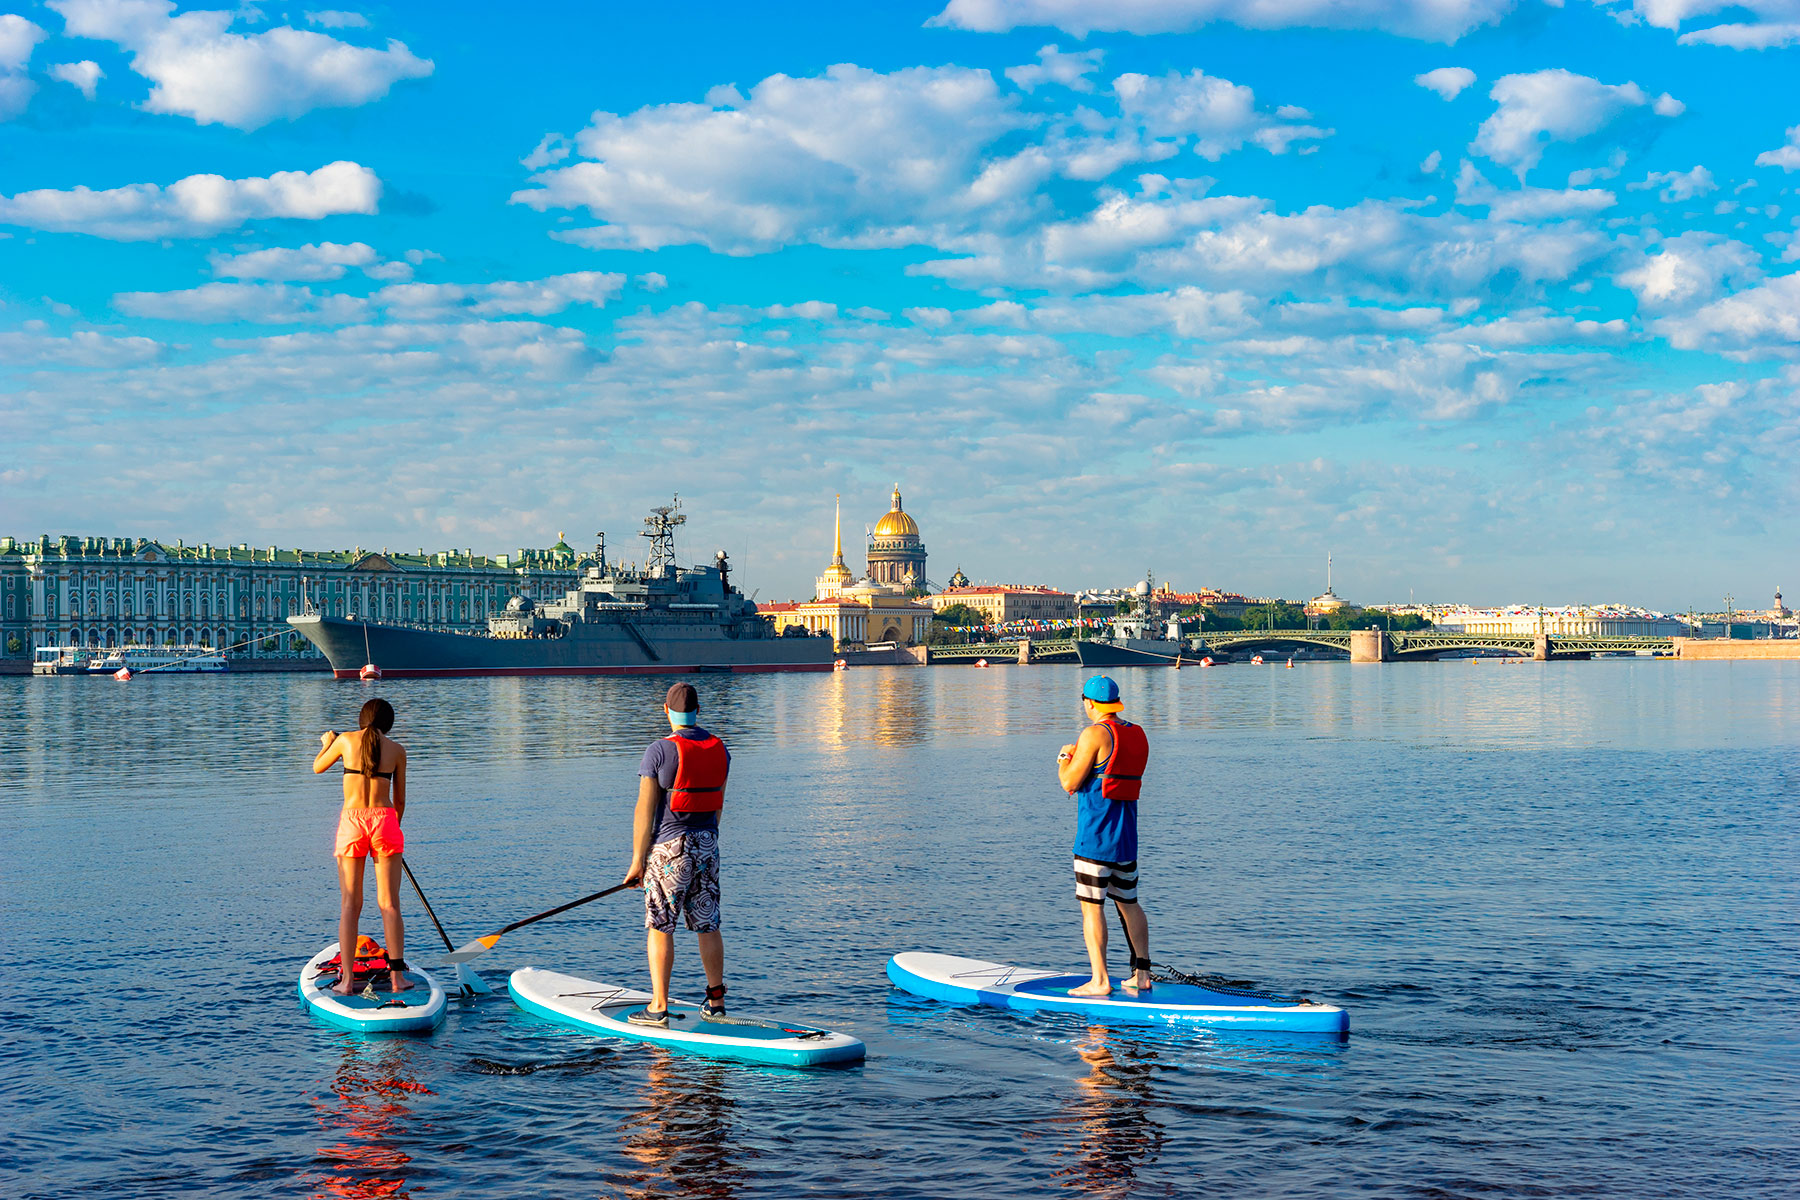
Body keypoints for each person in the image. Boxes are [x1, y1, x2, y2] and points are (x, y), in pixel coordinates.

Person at [622, 682, 730, 1027]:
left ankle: (658, 1007)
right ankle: (716, 1002)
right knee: (707, 924)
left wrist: (638, 861)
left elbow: (644, 809)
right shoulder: (720, 749)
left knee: (660, 925)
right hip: (707, 845)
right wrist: (705, 843)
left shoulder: (658, 751)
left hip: (670, 848)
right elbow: (718, 806)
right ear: (698, 711)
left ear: (666, 712)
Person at [1056, 675, 1151, 996]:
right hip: (1127, 839)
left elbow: (1069, 782)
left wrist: (1064, 758)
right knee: (1130, 904)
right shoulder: (1137, 733)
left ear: (1090, 703)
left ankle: (1100, 980)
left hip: (1095, 838)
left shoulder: (1094, 733)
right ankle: (1142, 975)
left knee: (1091, 907)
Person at [313, 698, 410, 995]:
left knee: (350, 904)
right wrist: (393, 829)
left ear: (361, 719)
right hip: (385, 821)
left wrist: (327, 743)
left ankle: (346, 982)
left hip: (353, 823)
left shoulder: (344, 741)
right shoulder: (397, 750)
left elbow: (318, 767)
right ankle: (397, 979)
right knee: (389, 904)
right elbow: (400, 801)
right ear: (388, 723)